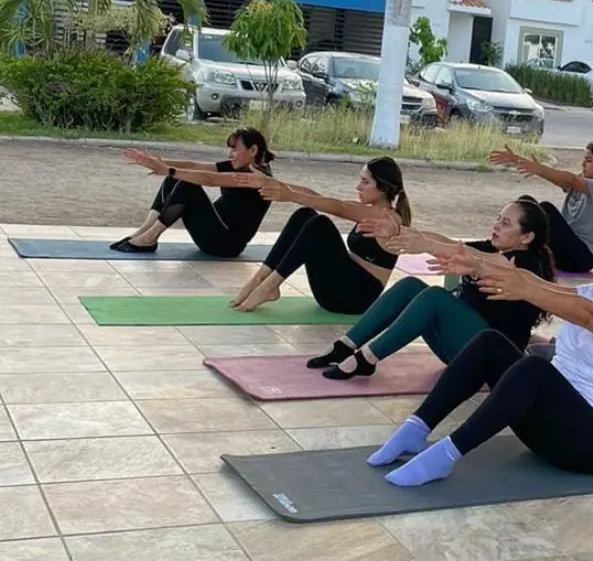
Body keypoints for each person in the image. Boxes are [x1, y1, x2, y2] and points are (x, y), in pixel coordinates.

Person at [363, 228, 593, 488]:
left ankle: (444, 457)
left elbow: (589, 317)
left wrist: (525, 290)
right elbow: (535, 283)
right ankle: (415, 429)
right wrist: (477, 266)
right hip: (549, 426)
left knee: (535, 368)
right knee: (489, 343)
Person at [304, 199, 555, 380]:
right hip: (463, 345)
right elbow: (449, 243)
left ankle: (366, 359)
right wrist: (401, 231)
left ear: (526, 237)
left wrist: (425, 245)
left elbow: (473, 257)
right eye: (498, 218)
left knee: (435, 298)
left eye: (506, 223)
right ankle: (345, 345)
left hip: (492, 358)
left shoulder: (526, 263)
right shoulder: (496, 248)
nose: (497, 225)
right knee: (410, 286)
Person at [227, 158, 412, 314]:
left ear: (383, 189)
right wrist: (271, 183)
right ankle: (260, 279)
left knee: (320, 225)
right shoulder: (369, 210)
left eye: (365, 182)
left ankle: (270, 286)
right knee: (306, 215)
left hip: (355, 298)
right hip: (341, 288)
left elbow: (339, 207)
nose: (358, 186)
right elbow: (320, 198)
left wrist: (290, 196)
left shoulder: (387, 217)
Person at [113, 128, 275, 256]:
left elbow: (210, 179)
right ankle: (145, 230)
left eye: (234, 149)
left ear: (253, 150)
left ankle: (150, 238)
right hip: (215, 229)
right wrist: (154, 163)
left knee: (187, 185)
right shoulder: (240, 165)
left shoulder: (258, 177)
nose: (229, 154)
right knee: (174, 177)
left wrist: (168, 170)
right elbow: (194, 166)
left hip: (226, 244)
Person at [486, 141, 593, 274]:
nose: (583, 164)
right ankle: (506, 246)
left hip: (583, 258)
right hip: (564, 250)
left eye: (588, 161)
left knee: (545, 208)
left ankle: (516, 252)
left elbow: (571, 179)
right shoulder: (580, 182)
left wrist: (539, 168)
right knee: (526, 203)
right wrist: (516, 159)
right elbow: (553, 175)